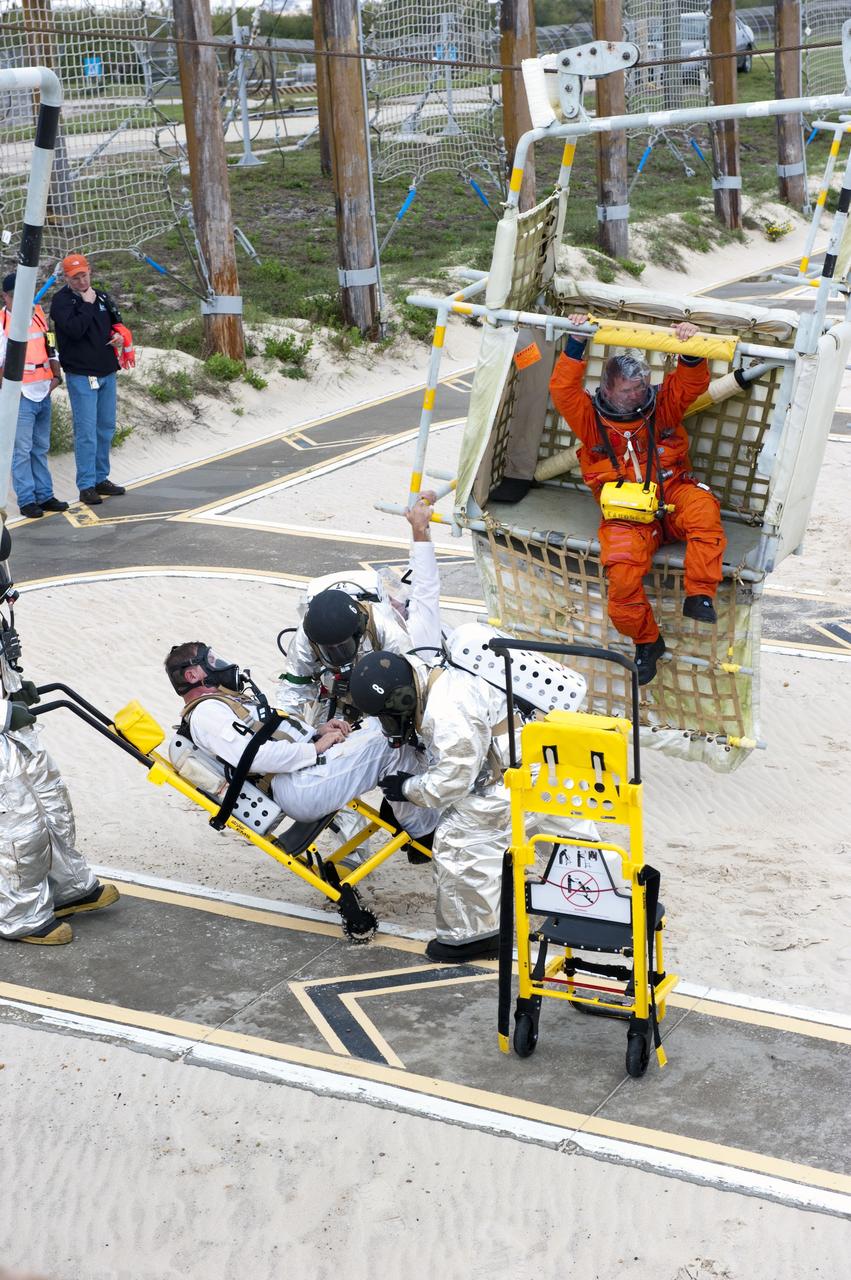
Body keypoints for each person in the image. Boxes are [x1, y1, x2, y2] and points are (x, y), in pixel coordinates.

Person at [549, 314, 727, 685]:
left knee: (704, 511)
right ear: (609, 388)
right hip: (626, 516)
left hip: (672, 493)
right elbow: (563, 389)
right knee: (623, 578)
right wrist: (577, 343)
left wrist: (690, 349)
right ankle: (648, 641)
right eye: (629, 389)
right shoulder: (589, 418)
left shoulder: (661, 405)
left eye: (642, 387)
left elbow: (690, 382)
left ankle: (700, 596)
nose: (638, 394)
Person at [347, 647, 532, 963]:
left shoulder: (443, 712)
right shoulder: (426, 676)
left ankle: (471, 937)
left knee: (455, 837)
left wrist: (407, 788)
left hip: (517, 771)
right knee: (571, 845)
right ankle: (621, 900)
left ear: (403, 699)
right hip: (527, 758)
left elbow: (452, 780)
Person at [165, 641, 437, 842]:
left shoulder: (224, 702)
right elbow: (256, 756)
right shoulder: (206, 713)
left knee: (382, 724)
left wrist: (316, 732)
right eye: (211, 660)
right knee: (390, 744)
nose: (220, 664)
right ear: (193, 675)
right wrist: (314, 748)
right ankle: (423, 833)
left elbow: (271, 735)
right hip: (296, 788)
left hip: (302, 774)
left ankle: (410, 807)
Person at [0, 524, 119, 944]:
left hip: (12, 728)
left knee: (53, 803)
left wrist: (17, 689)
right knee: (18, 826)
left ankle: (68, 887)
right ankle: (20, 916)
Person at [277, 493, 443, 723]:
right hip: (340, 700)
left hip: (387, 699)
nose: (337, 654)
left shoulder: (397, 632)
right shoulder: (307, 637)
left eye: (342, 646)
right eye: (330, 650)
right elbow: (291, 694)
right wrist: (303, 736)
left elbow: (414, 691)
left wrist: (419, 528)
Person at [49, 252, 133, 507]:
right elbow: (74, 330)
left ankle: (100, 477)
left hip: (107, 371)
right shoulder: (61, 302)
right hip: (82, 375)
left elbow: (115, 324)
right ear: (66, 278)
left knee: (105, 428)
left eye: (84, 275)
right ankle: (86, 484)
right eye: (75, 278)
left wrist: (119, 338)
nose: (81, 281)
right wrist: (86, 303)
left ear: (90, 272)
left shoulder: (102, 296)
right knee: (86, 432)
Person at [0, 272, 69, 519]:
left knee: (40, 447)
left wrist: (56, 375)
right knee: (22, 450)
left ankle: (45, 494)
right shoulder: (2, 322)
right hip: (21, 395)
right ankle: (27, 499)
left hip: (43, 390)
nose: (20, 301)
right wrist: (9, 394)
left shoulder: (38, 314)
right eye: (14, 297)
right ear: (4, 297)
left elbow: (50, 345)